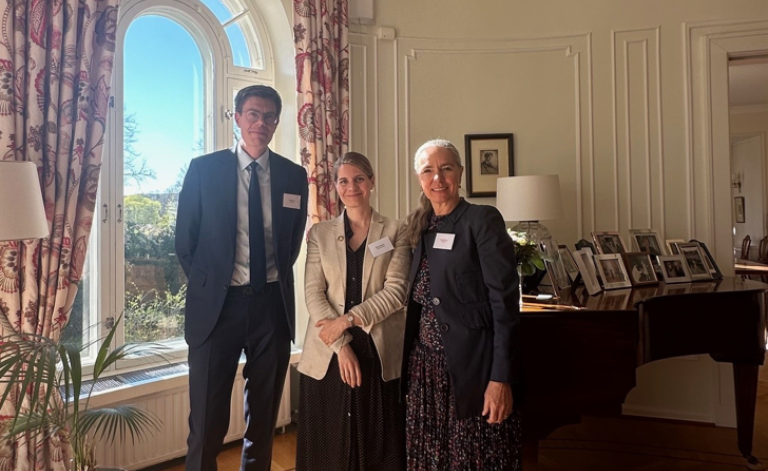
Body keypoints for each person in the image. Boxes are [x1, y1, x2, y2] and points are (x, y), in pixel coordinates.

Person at [175, 85, 308, 471]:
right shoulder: (204, 169)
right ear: (237, 118)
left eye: (269, 116)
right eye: (252, 114)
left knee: (264, 418)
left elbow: (291, 242)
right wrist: (212, 285)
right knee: (206, 419)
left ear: (277, 122)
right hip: (218, 309)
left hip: (271, 308)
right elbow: (185, 242)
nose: (260, 122)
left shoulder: (294, 176)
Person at [402, 139, 522, 470]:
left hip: (472, 367)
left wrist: (501, 378)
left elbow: (505, 304)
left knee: (474, 458)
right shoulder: (419, 226)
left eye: (446, 169)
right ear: (419, 178)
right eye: (428, 171)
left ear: (461, 173)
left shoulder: (481, 220)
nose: (437, 179)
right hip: (424, 369)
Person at [296, 152, 411, 470]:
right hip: (328, 350)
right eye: (344, 180)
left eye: (359, 178)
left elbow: (396, 292)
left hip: (377, 349)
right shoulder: (319, 234)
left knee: (377, 442)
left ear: (372, 182)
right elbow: (313, 293)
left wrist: (347, 320)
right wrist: (341, 344)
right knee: (329, 444)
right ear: (335, 186)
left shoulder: (396, 231)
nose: (352, 187)